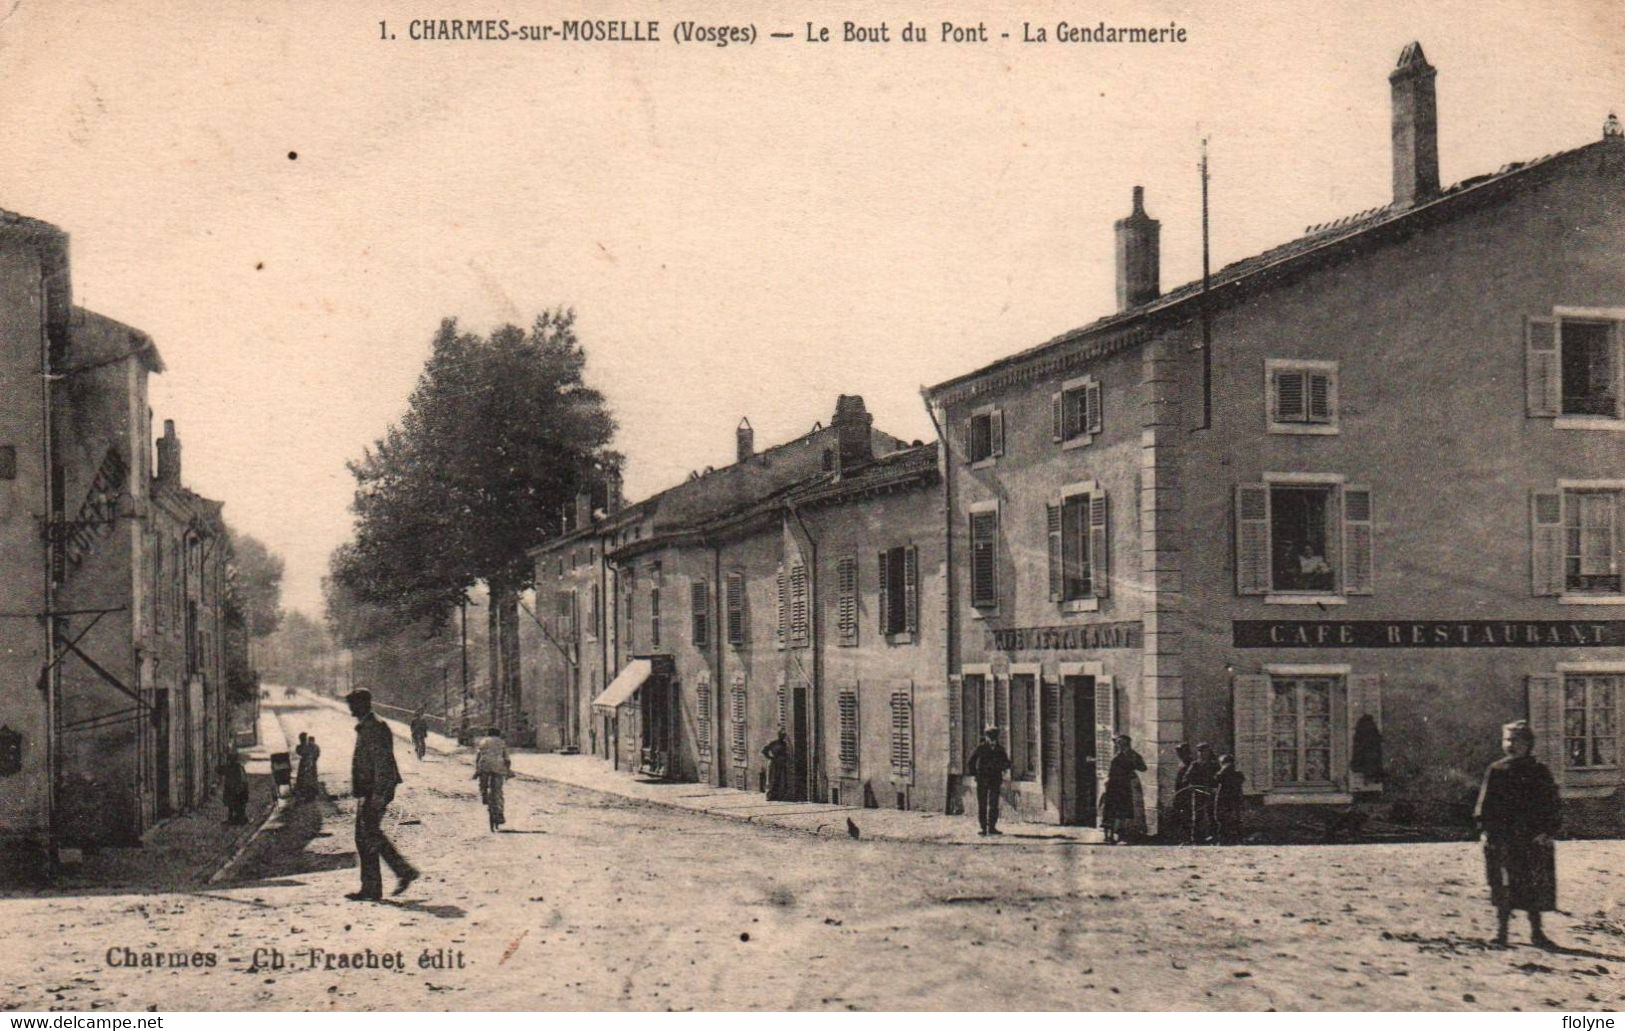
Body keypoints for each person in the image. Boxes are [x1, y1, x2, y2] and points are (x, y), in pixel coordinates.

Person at [1474, 720, 1560, 948]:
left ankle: (1536, 932)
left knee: (1533, 884)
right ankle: (1501, 931)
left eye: (1517, 740)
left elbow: (1551, 805)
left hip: (1532, 838)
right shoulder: (1497, 770)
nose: (1511, 745)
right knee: (1502, 884)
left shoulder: (1539, 772)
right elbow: (1485, 804)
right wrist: (1485, 831)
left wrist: (1547, 831)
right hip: (1503, 837)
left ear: (1528, 744)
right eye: (1507, 739)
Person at [346, 688, 418, 901]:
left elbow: (382, 763)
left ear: (362, 704)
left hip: (376, 790)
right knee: (365, 836)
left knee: (368, 834)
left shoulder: (374, 727)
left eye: (352, 705)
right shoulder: (368, 726)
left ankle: (399, 873)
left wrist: (379, 794)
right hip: (370, 790)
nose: (350, 709)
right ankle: (375, 886)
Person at [1100, 734, 1147, 844]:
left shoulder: (1132, 755)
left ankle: (1123, 835)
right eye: (1118, 743)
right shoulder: (1115, 755)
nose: (1119, 745)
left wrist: (1133, 764)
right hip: (1113, 785)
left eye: (1122, 743)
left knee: (1124, 811)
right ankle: (1109, 836)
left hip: (1126, 786)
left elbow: (1143, 768)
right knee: (1110, 810)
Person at [965, 727, 1012, 836]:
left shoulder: (1000, 749)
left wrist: (1002, 766)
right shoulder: (981, 748)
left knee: (994, 804)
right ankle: (983, 828)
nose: (992, 740)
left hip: (995, 779)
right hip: (982, 779)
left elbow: (1007, 762)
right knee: (982, 804)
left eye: (994, 738)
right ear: (986, 737)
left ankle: (992, 827)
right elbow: (971, 762)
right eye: (990, 737)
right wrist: (975, 774)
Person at [473, 726, 512, 829]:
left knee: (483, 782)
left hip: (485, 765)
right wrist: (508, 771)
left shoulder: (483, 741)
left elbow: (478, 756)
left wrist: (477, 769)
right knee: (498, 791)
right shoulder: (502, 742)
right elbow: (507, 758)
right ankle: (499, 813)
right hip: (498, 767)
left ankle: (484, 794)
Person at [1188, 743, 1221, 843]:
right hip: (1199, 792)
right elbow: (1187, 777)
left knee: (1213, 815)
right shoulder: (1195, 765)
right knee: (1198, 816)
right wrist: (1193, 784)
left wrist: (1214, 787)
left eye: (1204, 751)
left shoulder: (1214, 765)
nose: (1202, 754)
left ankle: (1214, 837)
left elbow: (1219, 778)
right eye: (1200, 751)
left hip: (1212, 793)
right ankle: (1196, 838)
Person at [1214, 753, 1246, 844]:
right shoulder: (1223, 774)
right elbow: (1217, 778)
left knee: (1234, 820)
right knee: (1222, 820)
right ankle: (1224, 840)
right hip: (1226, 800)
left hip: (1231, 800)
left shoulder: (1236, 775)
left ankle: (1238, 840)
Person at [761, 731, 793, 802]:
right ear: (778, 735)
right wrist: (770, 757)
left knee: (781, 779)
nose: (782, 737)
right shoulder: (773, 743)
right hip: (774, 763)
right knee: (772, 779)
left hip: (782, 764)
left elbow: (787, 753)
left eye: (783, 736)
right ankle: (770, 796)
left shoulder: (784, 744)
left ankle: (779, 796)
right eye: (781, 735)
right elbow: (764, 750)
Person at [219, 753, 249, 825]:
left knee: (235, 805)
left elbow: (219, 770)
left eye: (229, 760)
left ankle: (238, 818)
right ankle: (235, 818)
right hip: (236, 790)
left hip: (237, 790)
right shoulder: (238, 767)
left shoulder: (233, 768)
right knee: (233, 805)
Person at [295, 732, 321, 802]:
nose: (302, 740)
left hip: (307, 763)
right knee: (309, 778)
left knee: (307, 779)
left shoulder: (305, 746)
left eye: (302, 739)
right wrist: (314, 759)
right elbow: (317, 752)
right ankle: (309, 794)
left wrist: (313, 759)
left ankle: (308, 794)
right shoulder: (308, 746)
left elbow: (299, 752)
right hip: (309, 763)